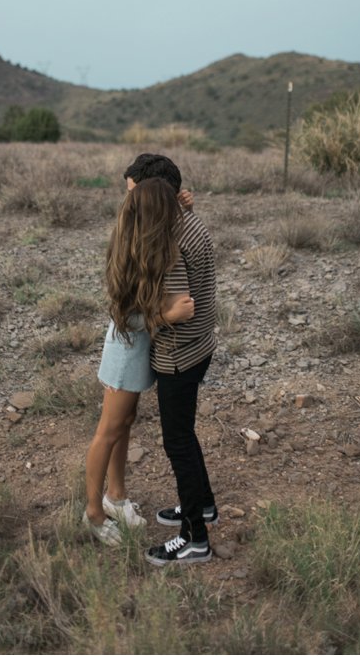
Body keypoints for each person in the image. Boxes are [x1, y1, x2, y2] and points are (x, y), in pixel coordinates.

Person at [83, 177, 195, 546]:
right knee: (109, 430)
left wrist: (186, 209)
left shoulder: (133, 236)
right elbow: (133, 317)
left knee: (125, 422)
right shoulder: (133, 257)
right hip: (126, 350)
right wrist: (168, 318)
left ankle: (115, 496)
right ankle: (94, 513)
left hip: (136, 348)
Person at [123, 153, 217, 566]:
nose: (128, 203)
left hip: (179, 354)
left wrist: (144, 316)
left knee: (177, 442)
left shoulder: (170, 241)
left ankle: (194, 538)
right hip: (199, 348)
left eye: (133, 195)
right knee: (186, 435)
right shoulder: (185, 220)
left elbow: (179, 308)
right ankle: (204, 505)